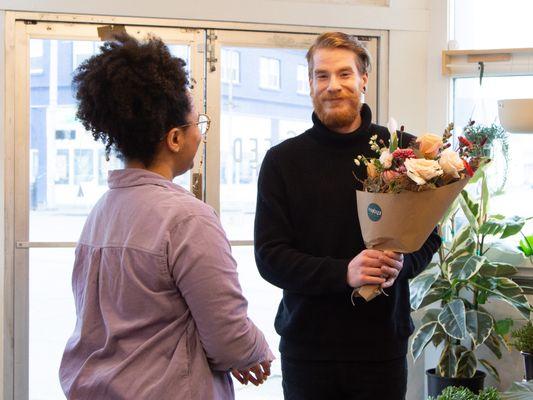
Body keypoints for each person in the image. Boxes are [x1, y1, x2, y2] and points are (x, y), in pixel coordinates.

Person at [59, 34, 273, 400]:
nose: (200, 135)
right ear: (174, 138)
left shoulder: (101, 212)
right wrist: (257, 350)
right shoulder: (188, 219)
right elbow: (228, 337)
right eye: (197, 125)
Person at [254, 32, 441, 400]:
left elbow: (431, 236)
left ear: (364, 79)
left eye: (344, 74)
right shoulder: (282, 162)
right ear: (309, 84)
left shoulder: (404, 151)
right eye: (321, 76)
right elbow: (270, 257)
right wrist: (344, 272)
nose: (333, 86)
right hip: (308, 351)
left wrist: (404, 264)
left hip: (381, 348)